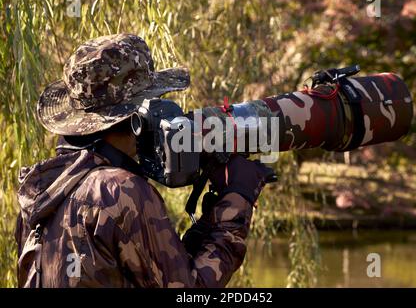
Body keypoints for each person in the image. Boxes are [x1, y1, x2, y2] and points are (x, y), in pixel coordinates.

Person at [15, 33, 268, 287]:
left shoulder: (44, 191)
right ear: (138, 115)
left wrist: (209, 223)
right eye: (156, 101)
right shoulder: (120, 191)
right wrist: (238, 197)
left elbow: (162, 270)